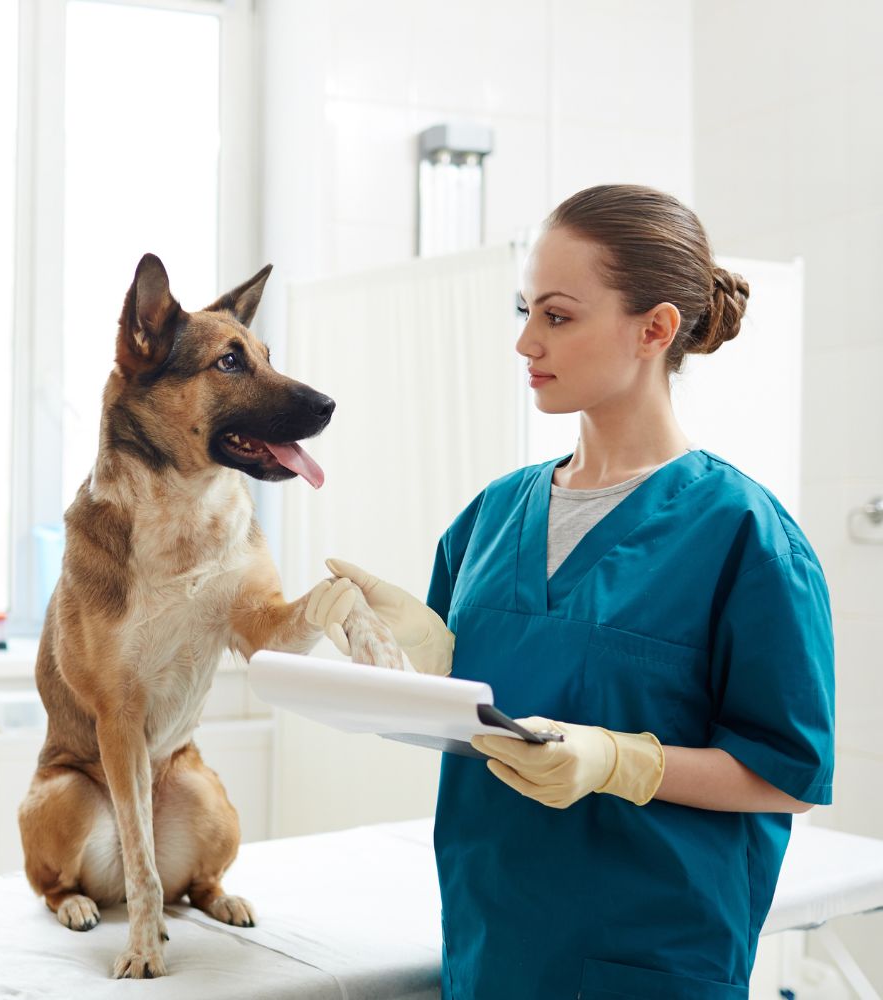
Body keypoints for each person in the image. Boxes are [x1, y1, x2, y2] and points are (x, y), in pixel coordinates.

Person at [306, 183, 835, 1000]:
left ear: (654, 330)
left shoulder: (744, 536)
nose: (525, 342)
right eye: (524, 310)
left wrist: (622, 761)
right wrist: (427, 665)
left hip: (650, 965)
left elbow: (789, 775)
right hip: (492, 946)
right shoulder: (491, 516)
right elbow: (480, 716)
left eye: (556, 316)